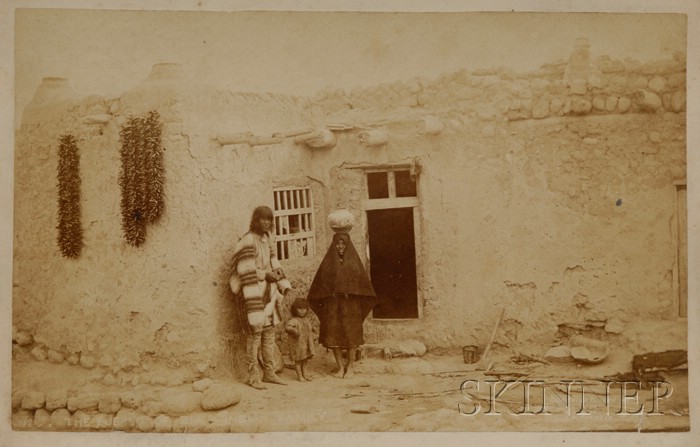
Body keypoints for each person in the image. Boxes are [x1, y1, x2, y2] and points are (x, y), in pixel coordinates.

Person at [229, 206, 291, 390]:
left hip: (267, 293)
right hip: (252, 293)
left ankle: (269, 373)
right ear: (256, 220)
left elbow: (274, 263)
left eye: (270, 219)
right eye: (263, 219)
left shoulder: (266, 240)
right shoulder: (248, 240)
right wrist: (266, 275)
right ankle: (253, 376)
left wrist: (282, 281)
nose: (267, 222)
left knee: (269, 334)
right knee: (255, 335)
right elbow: (245, 270)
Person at [307, 230, 377, 379]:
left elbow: (362, 284)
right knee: (333, 336)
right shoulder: (328, 263)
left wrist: (350, 292)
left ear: (348, 245)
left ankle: (350, 367)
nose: (340, 246)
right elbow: (319, 284)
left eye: (343, 243)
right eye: (337, 243)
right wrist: (328, 294)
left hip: (350, 305)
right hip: (332, 306)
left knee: (351, 336)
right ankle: (339, 367)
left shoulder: (353, 262)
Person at [284, 298, 316, 382]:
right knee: (298, 361)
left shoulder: (306, 320)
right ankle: (299, 376)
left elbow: (308, 328)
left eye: (304, 309)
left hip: (306, 344)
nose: (302, 311)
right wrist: (294, 330)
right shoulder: (294, 320)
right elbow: (287, 327)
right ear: (295, 310)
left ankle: (305, 374)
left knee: (305, 360)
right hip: (298, 345)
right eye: (299, 309)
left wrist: (313, 329)